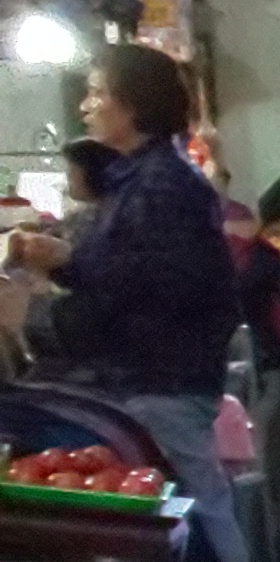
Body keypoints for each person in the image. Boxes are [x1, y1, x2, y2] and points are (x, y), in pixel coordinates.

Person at [17, 45, 235, 400]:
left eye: (96, 92)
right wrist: (64, 263)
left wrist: (63, 269)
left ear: (134, 104)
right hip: (137, 385)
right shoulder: (134, 180)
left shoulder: (161, 185)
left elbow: (155, 286)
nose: (84, 106)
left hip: (157, 391)